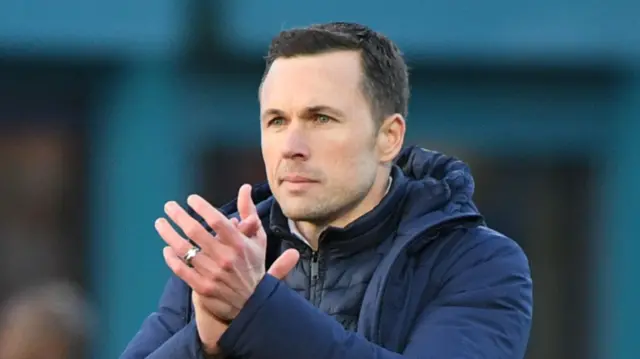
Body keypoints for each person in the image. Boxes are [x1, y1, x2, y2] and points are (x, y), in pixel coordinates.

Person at [120, 22, 533, 359]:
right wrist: (205, 347)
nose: (291, 147)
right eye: (277, 121)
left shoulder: (477, 261)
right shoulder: (223, 260)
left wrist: (258, 313)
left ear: (389, 137)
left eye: (320, 118)